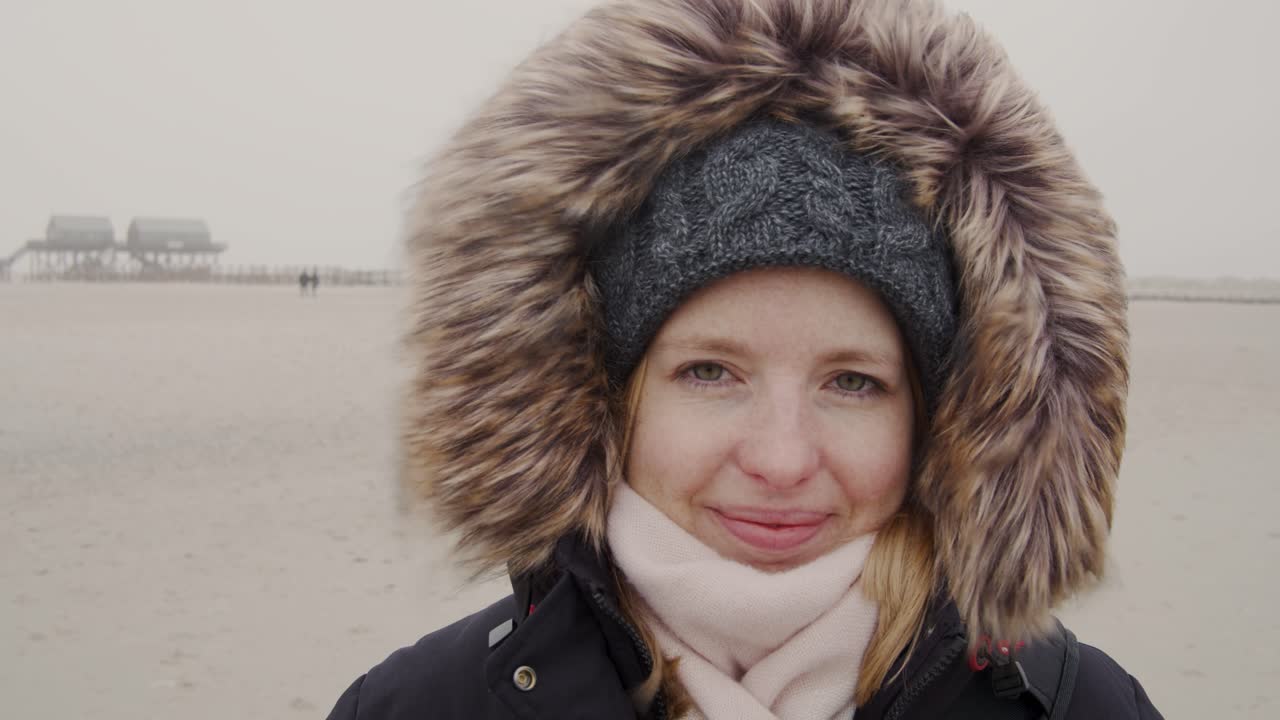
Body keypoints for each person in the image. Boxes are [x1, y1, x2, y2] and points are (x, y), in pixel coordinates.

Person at [328, 0, 1162, 718]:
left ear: (934, 421)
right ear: (611, 400)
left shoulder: (1080, 707)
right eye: (710, 372)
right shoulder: (417, 707)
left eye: (853, 383)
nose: (781, 459)